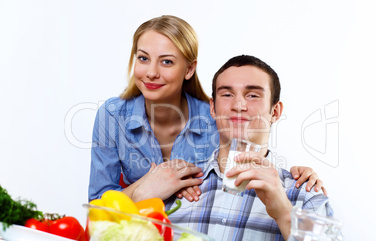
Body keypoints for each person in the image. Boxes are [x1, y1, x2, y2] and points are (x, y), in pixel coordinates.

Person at [88, 15, 325, 204]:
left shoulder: (217, 117)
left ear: (189, 69)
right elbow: (96, 204)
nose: (151, 72)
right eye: (143, 58)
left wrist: (296, 176)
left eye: (167, 61)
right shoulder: (112, 115)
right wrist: (145, 188)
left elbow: (249, 161)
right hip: (133, 230)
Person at [164, 55, 350, 241]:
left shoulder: (304, 194)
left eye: (252, 95)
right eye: (227, 94)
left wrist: (283, 211)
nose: (239, 105)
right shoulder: (177, 185)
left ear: (275, 111)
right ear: (213, 108)